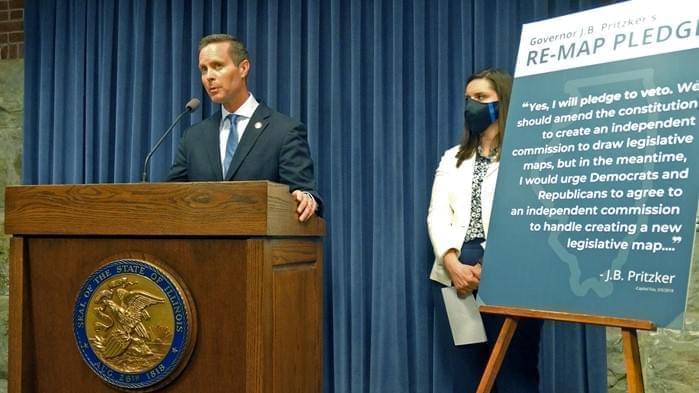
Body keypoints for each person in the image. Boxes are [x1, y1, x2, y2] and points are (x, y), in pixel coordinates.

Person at [427, 69, 541, 392]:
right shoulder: (452, 159)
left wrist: (494, 269)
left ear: (501, 102)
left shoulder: (527, 158)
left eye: (481, 98)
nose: (471, 105)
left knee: (514, 375)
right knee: (470, 379)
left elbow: (530, 218)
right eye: (468, 99)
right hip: (455, 278)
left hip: (512, 278)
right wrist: (451, 262)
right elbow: (437, 214)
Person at [168, 34, 322, 221]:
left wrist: (306, 198)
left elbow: (303, 191)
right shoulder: (193, 137)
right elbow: (171, 198)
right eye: (203, 69)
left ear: (243, 68)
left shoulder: (284, 131)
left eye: (217, 66)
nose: (209, 76)